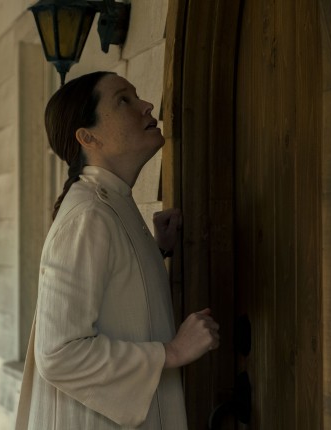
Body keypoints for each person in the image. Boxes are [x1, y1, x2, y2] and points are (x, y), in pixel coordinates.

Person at [15, 71, 220, 429]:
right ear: (88, 137)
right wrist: (172, 352)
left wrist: (154, 251)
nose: (147, 105)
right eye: (124, 100)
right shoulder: (89, 214)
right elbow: (58, 354)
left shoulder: (109, 203)